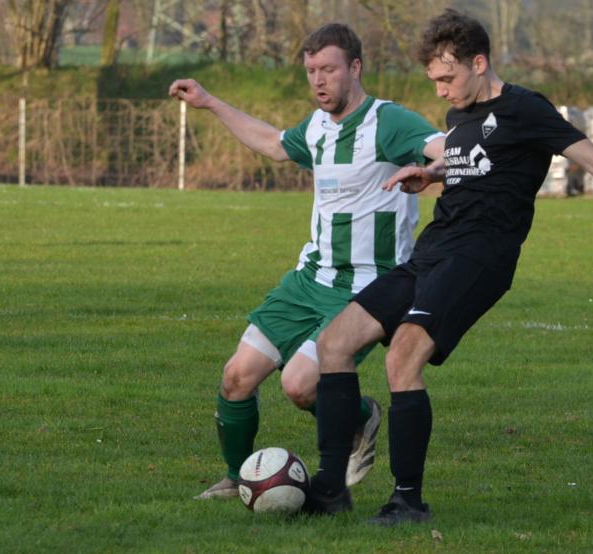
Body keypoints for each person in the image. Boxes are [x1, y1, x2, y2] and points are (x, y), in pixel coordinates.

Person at [303, 10, 593, 525]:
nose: (441, 90)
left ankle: (408, 501)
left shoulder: (526, 108)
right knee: (335, 343)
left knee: (403, 357)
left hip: (480, 256)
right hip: (433, 249)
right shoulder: (458, 116)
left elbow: (592, 157)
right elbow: (474, 162)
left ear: (479, 62)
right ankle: (330, 490)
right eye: (435, 81)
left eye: (447, 78)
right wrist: (430, 172)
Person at [168, 23, 445, 500]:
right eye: (311, 70)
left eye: (329, 69)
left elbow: (444, 149)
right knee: (236, 378)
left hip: (364, 288)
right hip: (308, 279)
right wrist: (211, 103)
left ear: (355, 68)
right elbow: (275, 144)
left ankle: (363, 416)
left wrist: (433, 170)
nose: (319, 80)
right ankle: (240, 480)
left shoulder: (389, 122)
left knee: (300, 386)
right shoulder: (317, 127)